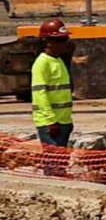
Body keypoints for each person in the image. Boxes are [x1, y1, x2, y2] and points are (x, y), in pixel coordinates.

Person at [26, 22, 72, 157]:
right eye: (61, 40)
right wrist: (51, 121)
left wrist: (67, 121)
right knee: (54, 160)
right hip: (51, 123)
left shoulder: (58, 61)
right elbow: (40, 94)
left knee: (61, 160)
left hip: (63, 121)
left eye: (65, 39)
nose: (65, 43)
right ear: (48, 42)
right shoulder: (42, 63)